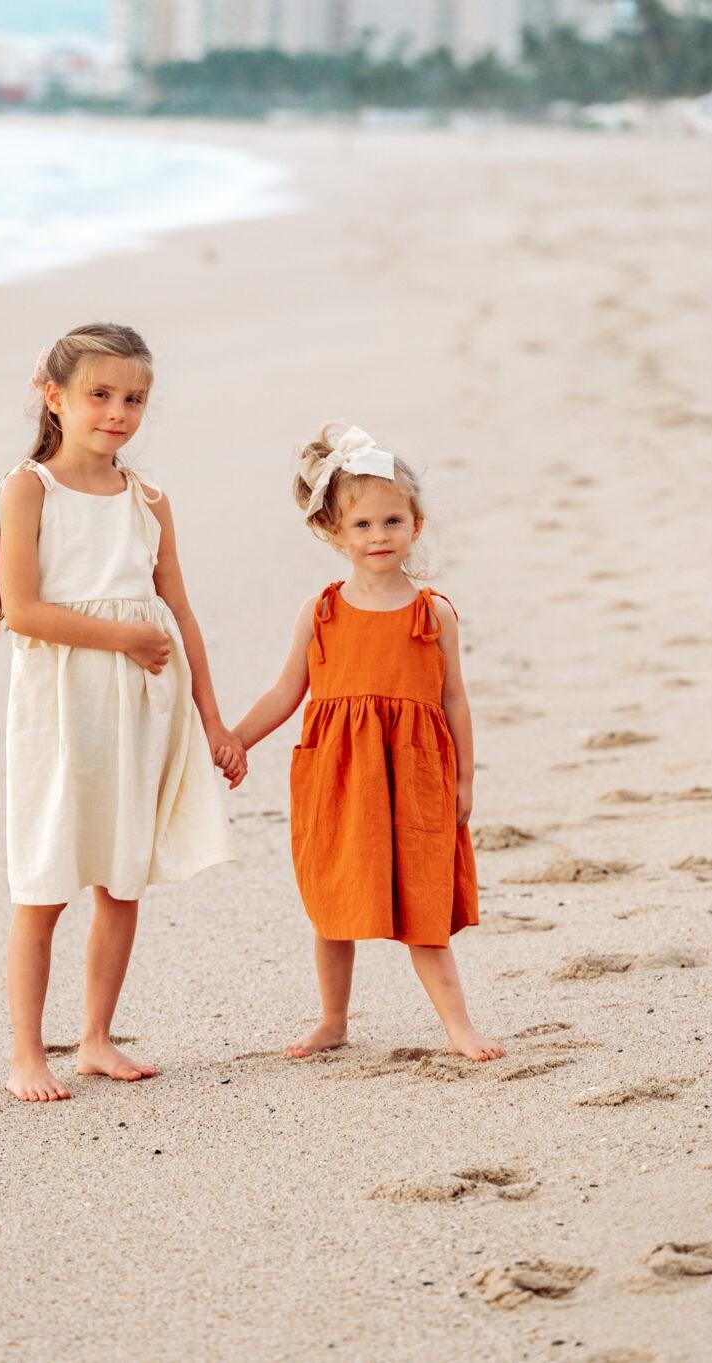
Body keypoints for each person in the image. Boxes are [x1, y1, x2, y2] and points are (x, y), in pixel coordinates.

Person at [0, 322, 240, 1103]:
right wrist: (122, 635)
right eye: (100, 394)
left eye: (134, 399)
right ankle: (29, 1051)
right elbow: (21, 609)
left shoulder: (148, 498)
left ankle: (96, 1037)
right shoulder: (30, 488)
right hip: (62, 708)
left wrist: (215, 721)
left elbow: (182, 615)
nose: (118, 412)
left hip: (142, 710)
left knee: (121, 880)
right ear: (53, 396)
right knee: (45, 881)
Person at [229, 423, 503, 1062]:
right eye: (362, 526)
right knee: (333, 905)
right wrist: (236, 740)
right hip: (339, 777)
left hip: (414, 776)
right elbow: (284, 691)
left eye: (392, 522)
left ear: (416, 523)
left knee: (424, 909)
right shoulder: (320, 611)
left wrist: (465, 780)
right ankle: (332, 1020)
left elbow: (454, 698)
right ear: (332, 530)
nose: (378, 536)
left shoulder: (432, 613)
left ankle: (459, 1026)